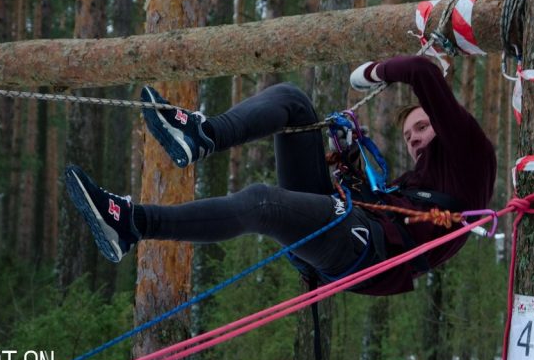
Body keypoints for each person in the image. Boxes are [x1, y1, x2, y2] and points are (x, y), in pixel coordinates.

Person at [65, 55, 496, 295]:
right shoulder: (419, 183)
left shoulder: (470, 158)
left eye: (422, 127)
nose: (414, 138)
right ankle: (202, 135)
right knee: (294, 103)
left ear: (447, 126)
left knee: (261, 202)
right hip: (354, 228)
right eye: (409, 133)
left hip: (364, 252)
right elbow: (378, 207)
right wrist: (347, 161)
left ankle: (134, 223)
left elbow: (421, 72)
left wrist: (369, 74)